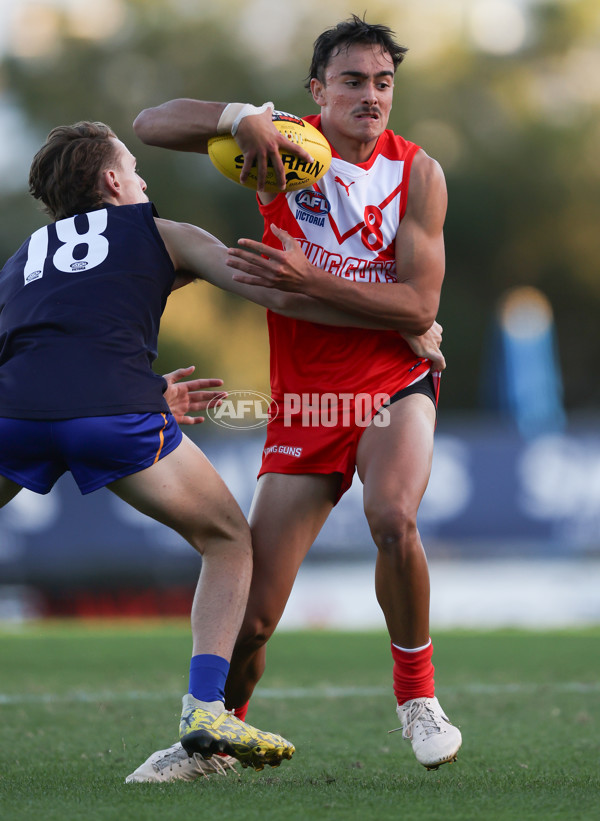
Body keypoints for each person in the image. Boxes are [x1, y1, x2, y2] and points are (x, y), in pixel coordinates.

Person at [129, 13, 461, 782]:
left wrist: (313, 280)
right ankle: (212, 740)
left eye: (384, 82)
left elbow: (419, 306)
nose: (371, 96)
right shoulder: (280, 145)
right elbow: (149, 124)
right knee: (250, 620)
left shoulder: (419, 173)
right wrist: (239, 117)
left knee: (393, 516)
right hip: (306, 402)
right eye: (353, 80)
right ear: (317, 90)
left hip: (392, 382)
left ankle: (418, 696)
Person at [0, 120, 305, 776]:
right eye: (135, 170)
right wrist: (402, 318)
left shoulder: (25, 256)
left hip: (14, 413)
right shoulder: (161, 232)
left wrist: (137, 390)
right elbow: (271, 285)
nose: (143, 182)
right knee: (229, 540)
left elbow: (43, 340)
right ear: (113, 181)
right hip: (111, 412)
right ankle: (206, 708)